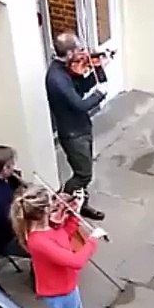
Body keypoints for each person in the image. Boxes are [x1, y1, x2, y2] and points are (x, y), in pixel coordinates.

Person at [11, 185, 105, 308]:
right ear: (44, 210)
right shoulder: (40, 242)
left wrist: (75, 214)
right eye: (52, 201)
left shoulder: (48, 229)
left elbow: (63, 235)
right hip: (60, 294)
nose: (57, 202)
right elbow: (76, 261)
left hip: (68, 285)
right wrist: (92, 240)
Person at [44, 31, 106, 222]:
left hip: (81, 128)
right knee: (83, 174)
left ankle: (81, 204)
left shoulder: (66, 69)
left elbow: (81, 87)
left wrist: (99, 69)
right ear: (69, 53)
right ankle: (61, 202)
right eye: (78, 49)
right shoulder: (57, 78)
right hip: (73, 134)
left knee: (83, 169)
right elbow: (79, 104)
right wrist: (99, 95)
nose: (82, 52)